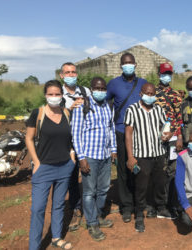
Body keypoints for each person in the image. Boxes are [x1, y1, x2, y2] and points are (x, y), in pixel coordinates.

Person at [25, 80, 75, 250]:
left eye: (57, 94)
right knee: (38, 208)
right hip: (43, 168)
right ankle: (34, 246)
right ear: (45, 95)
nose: (54, 97)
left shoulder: (67, 113)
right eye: (50, 94)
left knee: (59, 205)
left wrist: (72, 155)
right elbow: (29, 138)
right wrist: (36, 162)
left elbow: (70, 138)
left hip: (64, 167)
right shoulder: (38, 113)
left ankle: (56, 237)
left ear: (62, 95)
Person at [71, 77, 117, 241]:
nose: (100, 91)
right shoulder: (83, 105)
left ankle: (97, 216)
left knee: (104, 189)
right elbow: (75, 134)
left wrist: (113, 149)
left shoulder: (107, 105)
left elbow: (110, 128)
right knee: (89, 192)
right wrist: (81, 158)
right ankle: (91, 223)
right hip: (89, 156)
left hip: (104, 155)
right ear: (91, 89)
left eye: (103, 88)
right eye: (97, 88)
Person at [124, 82, 171, 232]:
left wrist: (168, 134)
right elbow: (128, 134)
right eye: (147, 93)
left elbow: (165, 127)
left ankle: (161, 207)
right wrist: (130, 157)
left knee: (160, 182)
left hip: (158, 153)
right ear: (141, 94)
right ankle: (139, 214)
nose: (150, 96)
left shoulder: (159, 109)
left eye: (152, 94)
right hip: (141, 155)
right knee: (141, 186)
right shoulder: (132, 110)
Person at [106, 52, 147, 223]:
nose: (128, 65)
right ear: (121, 65)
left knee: (138, 170)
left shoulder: (143, 84)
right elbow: (106, 104)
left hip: (141, 134)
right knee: (123, 170)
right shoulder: (113, 84)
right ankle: (126, 206)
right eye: (125, 63)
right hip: (121, 132)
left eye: (131, 62)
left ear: (135, 64)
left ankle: (139, 205)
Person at [59, 62, 91, 232]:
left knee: (88, 173)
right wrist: (69, 110)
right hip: (67, 143)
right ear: (61, 75)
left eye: (73, 72)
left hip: (86, 141)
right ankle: (76, 208)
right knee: (71, 177)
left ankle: (89, 205)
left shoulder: (86, 91)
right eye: (67, 72)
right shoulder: (57, 94)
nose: (71, 75)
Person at [154, 62, 183, 218]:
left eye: (169, 74)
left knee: (172, 170)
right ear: (158, 74)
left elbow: (179, 118)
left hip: (172, 140)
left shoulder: (176, 95)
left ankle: (170, 203)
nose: (166, 76)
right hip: (156, 139)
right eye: (164, 73)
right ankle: (158, 205)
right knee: (158, 171)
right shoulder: (152, 93)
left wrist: (178, 136)